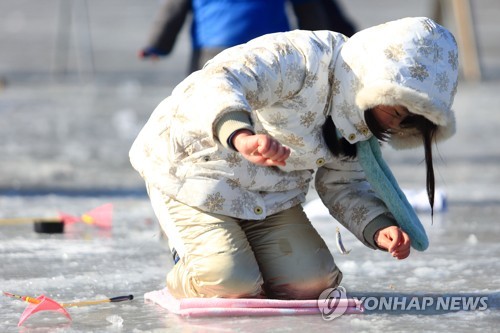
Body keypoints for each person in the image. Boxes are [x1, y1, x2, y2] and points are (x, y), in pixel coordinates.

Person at [130, 17, 459, 299]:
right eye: (398, 110)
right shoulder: (305, 59)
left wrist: (379, 227)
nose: (394, 125)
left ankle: (234, 258)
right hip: (194, 173)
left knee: (312, 284)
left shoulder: (360, 118)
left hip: (270, 196)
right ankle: (191, 263)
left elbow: (344, 183)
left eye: (408, 123)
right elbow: (220, 77)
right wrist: (239, 135)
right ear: (381, 79)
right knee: (229, 281)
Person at [139, 0, 356, 73]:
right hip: (271, 51)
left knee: (208, 108)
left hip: (212, 51)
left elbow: (173, 9)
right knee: (268, 110)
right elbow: (309, 9)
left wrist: (157, 45)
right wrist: (318, 48)